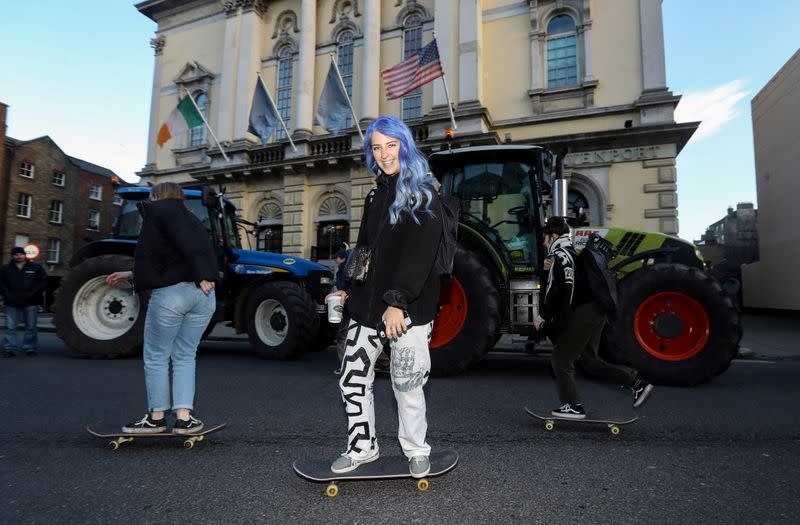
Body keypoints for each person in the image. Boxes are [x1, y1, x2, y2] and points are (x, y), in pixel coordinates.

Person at [325, 115, 443, 478]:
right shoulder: (376, 194)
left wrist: (397, 301)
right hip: (367, 304)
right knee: (352, 377)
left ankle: (416, 449)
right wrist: (346, 283)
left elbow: (420, 255)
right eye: (377, 147)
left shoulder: (423, 192)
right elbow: (364, 247)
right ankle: (363, 447)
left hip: (407, 308)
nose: (384, 154)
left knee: (406, 383)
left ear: (404, 146)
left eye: (391, 145)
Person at [105, 182, 218, 434]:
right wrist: (130, 274)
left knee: (156, 356)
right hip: (204, 296)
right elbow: (178, 254)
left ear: (156, 196)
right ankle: (184, 417)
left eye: (150, 196)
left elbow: (183, 247)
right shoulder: (191, 218)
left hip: (173, 295)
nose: (148, 199)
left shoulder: (160, 213)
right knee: (185, 355)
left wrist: (200, 272)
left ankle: (156, 418)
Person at [534, 217, 653, 419]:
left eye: (545, 238)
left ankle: (573, 406)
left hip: (583, 313)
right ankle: (637, 384)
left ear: (553, 236)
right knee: (590, 362)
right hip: (597, 311)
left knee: (561, 359)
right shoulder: (571, 252)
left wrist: (545, 317)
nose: (544, 242)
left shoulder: (559, 254)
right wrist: (547, 270)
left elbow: (562, 289)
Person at [1, 247, 47, 357]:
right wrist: (7, 295)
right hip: (11, 302)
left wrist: (32, 294)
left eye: (20, 254)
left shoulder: (35, 267)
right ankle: (10, 349)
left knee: (31, 326)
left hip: (31, 302)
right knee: (10, 327)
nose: (18, 256)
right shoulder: (6, 269)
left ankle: (30, 348)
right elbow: (1, 284)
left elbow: (43, 281)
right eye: (16, 254)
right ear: (12, 256)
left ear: (24, 255)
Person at [331, 248, 350, 375]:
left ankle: (345, 366)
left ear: (342, 258)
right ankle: (383, 362)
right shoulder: (348, 267)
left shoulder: (343, 270)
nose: (335, 261)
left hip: (347, 308)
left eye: (336, 258)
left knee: (341, 338)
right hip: (352, 308)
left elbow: (344, 288)